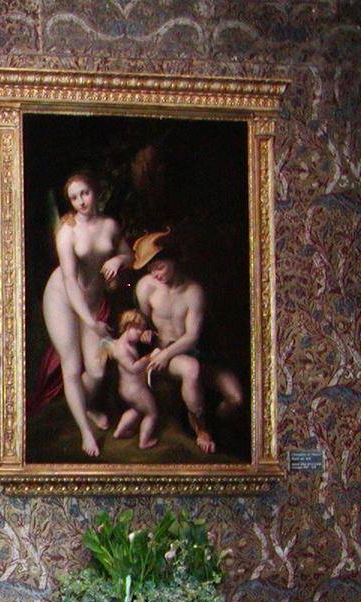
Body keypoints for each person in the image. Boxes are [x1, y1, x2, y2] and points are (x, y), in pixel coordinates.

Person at [28, 172, 133, 457]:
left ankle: (85, 406)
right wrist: (90, 322)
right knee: (73, 367)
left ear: (95, 192)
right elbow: (70, 281)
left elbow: (130, 256)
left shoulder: (110, 226)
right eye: (74, 198)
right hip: (62, 299)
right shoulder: (67, 232)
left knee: (97, 370)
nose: (81, 201)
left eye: (84, 193)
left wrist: (118, 259)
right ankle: (86, 432)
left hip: (92, 299)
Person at [133, 230, 245, 454]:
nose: (155, 274)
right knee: (191, 369)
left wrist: (167, 353)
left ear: (173, 261)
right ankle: (202, 429)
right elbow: (141, 322)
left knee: (236, 398)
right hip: (164, 352)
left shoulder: (193, 291)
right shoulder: (146, 287)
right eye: (150, 269)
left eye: (160, 267)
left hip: (198, 350)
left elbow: (192, 336)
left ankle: (216, 422)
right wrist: (147, 337)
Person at [103, 310, 160, 450]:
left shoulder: (126, 342)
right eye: (139, 331)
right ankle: (144, 442)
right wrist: (150, 357)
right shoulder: (121, 349)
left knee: (136, 409)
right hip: (135, 390)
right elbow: (133, 368)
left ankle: (119, 432)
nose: (141, 335)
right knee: (152, 413)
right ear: (128, 327)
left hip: (128, 389)